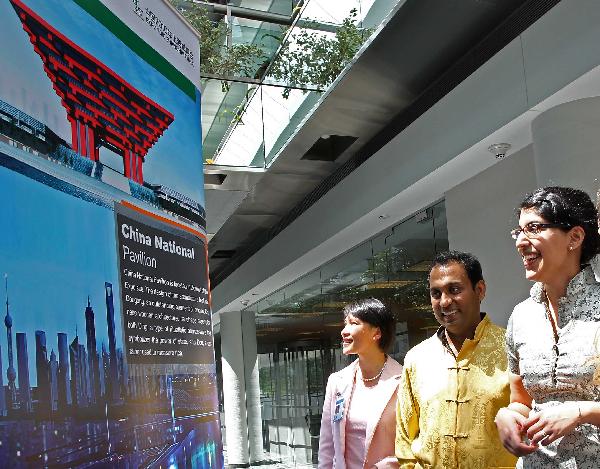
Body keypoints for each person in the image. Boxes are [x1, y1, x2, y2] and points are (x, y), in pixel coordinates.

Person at [495, 186, 600, 468]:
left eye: (534, 228)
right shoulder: (521, 316)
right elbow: (522, 399)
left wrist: (583, 411)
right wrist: (507, 414)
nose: (520, 242)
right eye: (519, 231)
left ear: (575, 237)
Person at [396, 251, 517, 468]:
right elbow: (405, 437)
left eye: (454, 290)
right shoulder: (417, 358)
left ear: (479, 290)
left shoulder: (512, 348)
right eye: (436, 293)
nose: (444, 302)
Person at [318, 298, 402, 469]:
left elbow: (414, 442)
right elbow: (327, 446)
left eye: (353, 323)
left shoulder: (404, 380)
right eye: (345, 324)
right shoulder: (337, 382)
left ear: (376, 333)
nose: (344, 331)